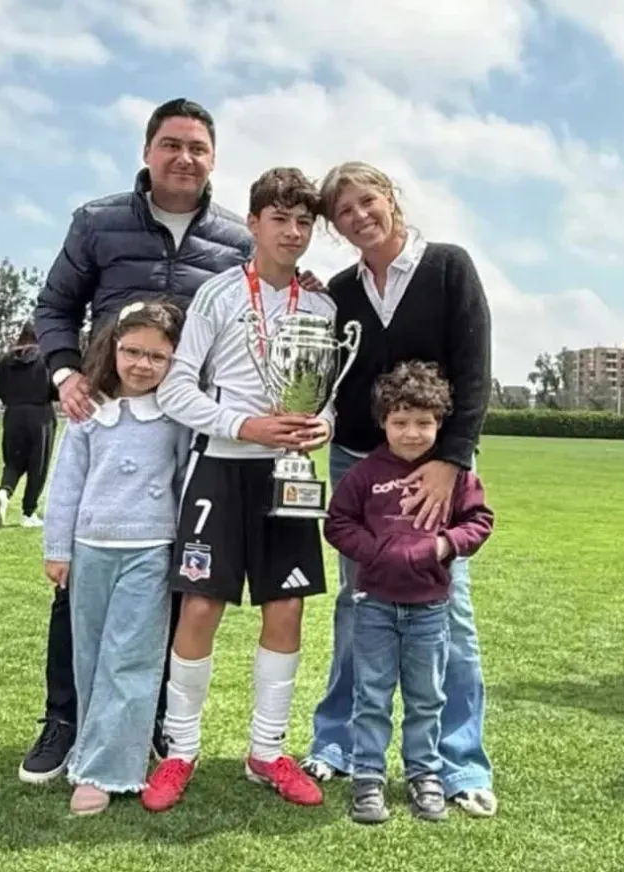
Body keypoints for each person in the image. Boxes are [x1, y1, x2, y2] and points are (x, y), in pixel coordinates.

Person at [23, 97, 252, 785]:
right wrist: (65, 373)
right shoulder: (97, 222)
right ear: (149, 150)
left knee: (172, 582)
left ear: (213, 159)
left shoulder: (237, 241)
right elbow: (54, 307)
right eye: (172, 144)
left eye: (199, 148)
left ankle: (143, 720)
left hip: (188, 431)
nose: (185, 157)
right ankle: (65, 719)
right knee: (81, 589)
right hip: (108, 420)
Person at [302, 162, 498, 818]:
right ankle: (334, 746)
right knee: (358, 608)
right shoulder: (339, 291)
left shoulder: (447, 268)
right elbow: (330, 379)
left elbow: (473, 373)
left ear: (391, 197)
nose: (360, 215)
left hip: (435, 469)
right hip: (358, 462)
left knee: (449, 616)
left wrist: (451, 462)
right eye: (344, 212)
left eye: (367, 200)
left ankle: (460, 763)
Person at [141, 168, 334, 813]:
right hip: (221, 468)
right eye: (279, 218)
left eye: (304, 221)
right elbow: (175, 387)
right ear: (252, 222)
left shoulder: (322, 306)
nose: (293, 231)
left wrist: (322, 425)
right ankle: (180, 751)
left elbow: (332, 400)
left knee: (287, 610)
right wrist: (242, 424)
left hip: (289, 475)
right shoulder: (219, 295)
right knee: (200, 607)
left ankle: (267, 751)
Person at [324, 361, 494, 825]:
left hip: (430, 612)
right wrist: (375, 552)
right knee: (372, 694)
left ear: (440, 422)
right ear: (384, 423)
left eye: (424, 423)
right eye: (400, 422)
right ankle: (368, 778)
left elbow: (479, 522)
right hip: (374, 606)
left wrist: (443, 545)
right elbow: (337, 524)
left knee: (426, 698)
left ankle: (426, 775)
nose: (412, 433)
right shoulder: (364, 474)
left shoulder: (454, 476)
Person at [43, 299, 191, 816]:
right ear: (114, 348)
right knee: (89, 658)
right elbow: (65, 485)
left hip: (149, 552)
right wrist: (58, 548)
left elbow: (182, 483)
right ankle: (88, 750)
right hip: (89, 551)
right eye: (133, 351)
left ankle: (110, 770)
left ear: (175, 360)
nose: (143, 365)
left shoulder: (176, 416)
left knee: (130, 660)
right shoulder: (89, 411)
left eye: (158, 356)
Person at [0, 321, 57, 529]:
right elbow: (57, 386)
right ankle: (28, 513)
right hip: (41, 415)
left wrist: (9, 396)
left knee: (13, 461)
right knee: (38, 465)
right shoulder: (47, 358)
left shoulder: (8, 359)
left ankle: (4, 492)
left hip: (13, 414)